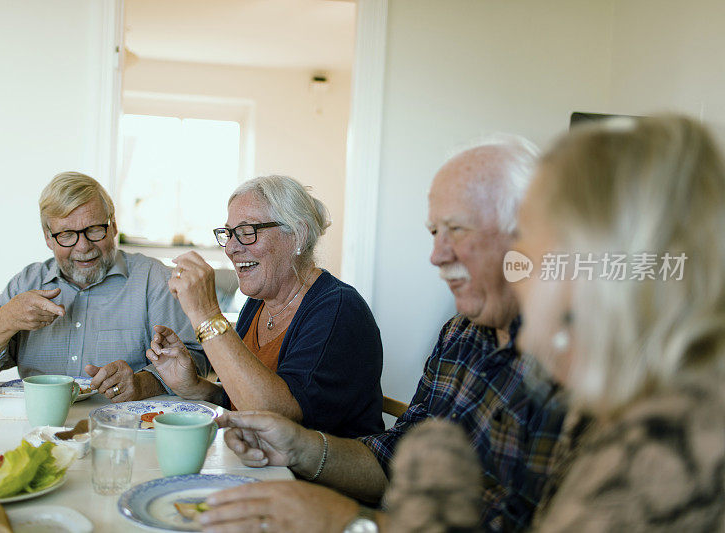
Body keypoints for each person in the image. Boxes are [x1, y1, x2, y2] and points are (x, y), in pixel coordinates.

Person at [197, 137, 567, 532]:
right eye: (434, 233)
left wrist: (347, 521)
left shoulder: (576, 367)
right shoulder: (462, 337)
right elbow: (394, 460)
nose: (437, 255)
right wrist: (297, 447)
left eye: (456, 229)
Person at [388, 115, 725, 532]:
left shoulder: (664, 451)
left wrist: (418, 484)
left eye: (528, 231)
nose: (517, 258)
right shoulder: (627, 401)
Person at [147, 175, 384, 438]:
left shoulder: (338, 309)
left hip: (316, 476)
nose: (232, 248)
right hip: (258, 462)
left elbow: (277, 420)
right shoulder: (258, 304)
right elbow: (243, 400)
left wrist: (206, 315)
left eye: (248, 232)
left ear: (297, 235)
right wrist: (193, 386)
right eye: (229, 233)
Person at [0, 172, 207, 402]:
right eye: (67, 235)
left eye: (94, 230)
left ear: (113, 225)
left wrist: (142, 384)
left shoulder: (153, 279)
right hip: (34, 429)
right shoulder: (27, 283)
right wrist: (5, 320)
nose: (83, 247)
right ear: (48, 238)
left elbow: (198, 360)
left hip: (124, 430)